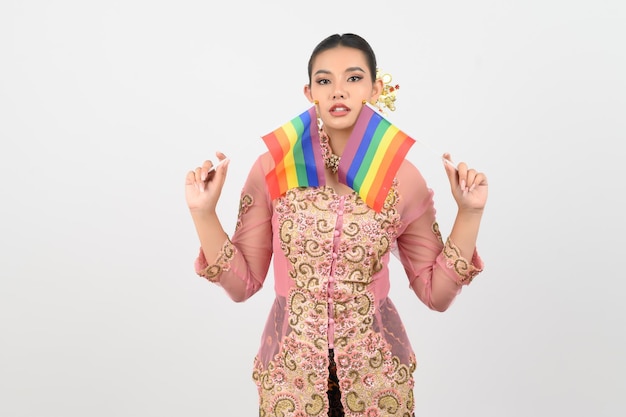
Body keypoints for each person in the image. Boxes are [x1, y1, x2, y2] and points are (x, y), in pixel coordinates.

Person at [184, 33, 488, 417]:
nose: (338, 91)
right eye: (325, 81)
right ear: (309, 92)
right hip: (289, 378)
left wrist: (470, 213)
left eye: (354, 78)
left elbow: (436, 294)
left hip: (378, 380)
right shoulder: (274, 169)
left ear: (376, 88)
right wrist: (203, 213)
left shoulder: (402, 177)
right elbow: (242, 285)